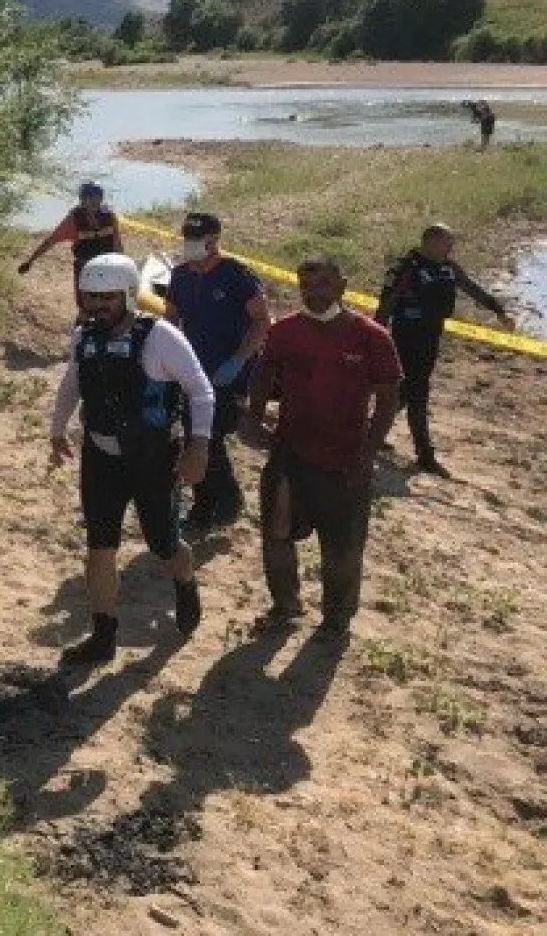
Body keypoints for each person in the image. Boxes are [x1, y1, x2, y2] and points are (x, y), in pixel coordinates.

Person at [48, 253, 212, 665]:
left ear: (126, 295)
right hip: (100, 457)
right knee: (99, 546)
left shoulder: (159, 337)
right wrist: (57, 428)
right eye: (90, 297)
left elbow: (200, 390)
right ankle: (103, 635)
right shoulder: (83, 336)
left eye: (106, 297)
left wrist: (199, 446)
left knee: (163, 543)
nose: (96, 305)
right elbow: (73, 381)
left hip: (152, 459)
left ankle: (185, 580)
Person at [245, 255, 402, 640]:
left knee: (342, 549)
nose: (314, 295)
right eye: (307, 288)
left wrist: (368, 455)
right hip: (290, 453)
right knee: (277, 533)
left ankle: (336, 620)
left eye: (323, 286)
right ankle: (285, 605)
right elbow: (264, 374)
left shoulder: (372, 338)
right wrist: (253, 416)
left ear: (342, 286)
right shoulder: (285, 331)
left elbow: (387, 400)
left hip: (345, 461)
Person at [373, 224, 512, 478]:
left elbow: (471, 288)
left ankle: (372, 430)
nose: (451, 247)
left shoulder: (448, 267)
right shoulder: (407, 267)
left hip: (431, 337)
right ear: (431, 241)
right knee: (418, 393)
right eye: (447, 242)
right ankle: (425, 455)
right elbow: (386, 304)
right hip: (406, 337)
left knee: (406, 391)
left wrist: (497, 309)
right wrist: (374, 337)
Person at [163, 212, 271, 528]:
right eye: (188, 240)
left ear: (214, 241)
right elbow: (171, 320)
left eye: (197, 241)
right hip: (190, 369)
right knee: (194, 435)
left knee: (210, 437)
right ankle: (204, 506)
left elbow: (262, 322)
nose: (191, 246)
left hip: (227, 371)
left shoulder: (236, 275)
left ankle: (227, 501)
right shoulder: (181, 275)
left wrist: (238, 360)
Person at [18, 182, 123, 297]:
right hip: (85, 268)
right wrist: (31, 261)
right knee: (85, 307)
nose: (94, 201)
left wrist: (121, 266)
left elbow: (117, 243)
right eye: (90, 197)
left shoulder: (109, 216)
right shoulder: (73, 220)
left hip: (107, 266)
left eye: (98, 197)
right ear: (82, 199)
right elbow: (50, 241)